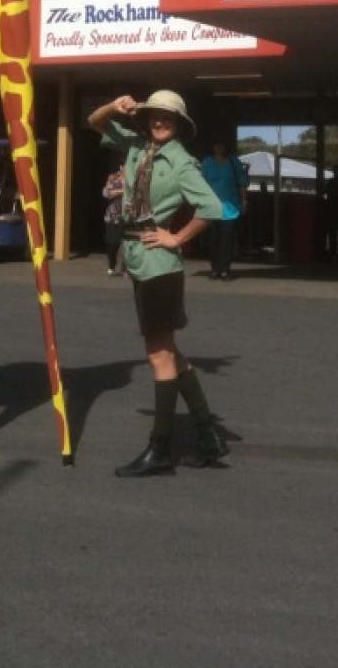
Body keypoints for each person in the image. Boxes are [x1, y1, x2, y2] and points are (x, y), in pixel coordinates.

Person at [87, 89, 227, 478]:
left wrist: (177, 238)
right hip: (137, 258)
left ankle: (160, 448)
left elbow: (212, 208)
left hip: (159, 263)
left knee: (157, 354)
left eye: (167, 116)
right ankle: (207, 434)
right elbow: (95, 123)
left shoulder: (182, 162)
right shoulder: (136, 144)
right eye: (153, 115)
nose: (159, 121)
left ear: (179, 123)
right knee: (167, 349)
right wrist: (112, 106)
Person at [200, 138, 248, 279]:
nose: (219, 147)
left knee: (227, 239)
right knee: (213, 239)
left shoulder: (234, 162)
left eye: (221, 144)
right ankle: (215, 269)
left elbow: (242, 182)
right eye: (216, 144)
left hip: (231, 207)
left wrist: (244, 201)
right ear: (212, 146)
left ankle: (225, 269)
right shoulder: (207, 162)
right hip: (211, 207)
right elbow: (200, 184)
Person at [102, 165, 125, 275]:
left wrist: (117, 191)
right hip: (112, 217)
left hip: (128, 217)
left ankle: (125, 268)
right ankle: (112, 264)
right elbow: (107, 193)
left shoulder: (135, 177)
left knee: (127, 244)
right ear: (121, 167)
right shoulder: (113, 178)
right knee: (112, 242)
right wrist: (123, 191)